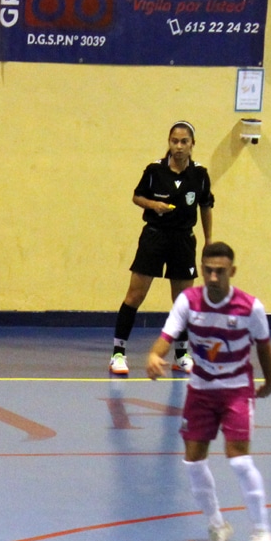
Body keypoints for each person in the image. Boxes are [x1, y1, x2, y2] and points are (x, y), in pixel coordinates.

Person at [146, 242, 271, 541]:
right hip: (201, 389)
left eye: (220, 271)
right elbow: (168, 336)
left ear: (232, 271)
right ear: (202, 270)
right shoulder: (188, 301)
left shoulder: (249, 307)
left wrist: (270, 381)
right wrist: (153, 355)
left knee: (239, 459)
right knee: (192, 462)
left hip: (236, 389)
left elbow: (263, 347)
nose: (213, 276)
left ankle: (261, 530)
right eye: (208, 270)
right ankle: (217, 525)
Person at [110, 121, 213, 375]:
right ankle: (118, 353)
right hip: (154, 237)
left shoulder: (200, 175)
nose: (178, 146)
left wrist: (209, 241)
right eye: (174, 141)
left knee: (182, 302)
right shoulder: (155, 170)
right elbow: (137, 196)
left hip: (183, 240)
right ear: (169, 143)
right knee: (135, 295)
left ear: (192, 145)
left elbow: (205, 206)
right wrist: (152, 205)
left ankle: (181, 354)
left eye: (184, 142)